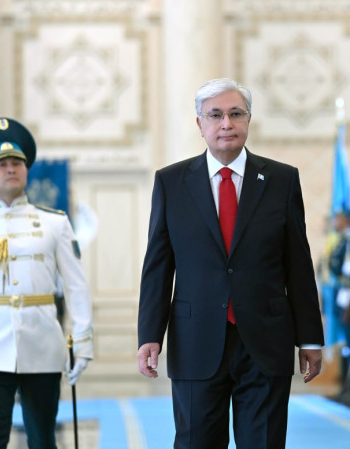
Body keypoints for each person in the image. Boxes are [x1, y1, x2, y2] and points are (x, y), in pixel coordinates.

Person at [136, 78, 325, 448]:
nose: (227, 124)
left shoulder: (281, 180)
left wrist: (309, 338)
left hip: (265, 341)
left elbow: (298, 265)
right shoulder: (171, 182)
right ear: (200, 123)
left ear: (249, 120)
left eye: (236, 114)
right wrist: (149, 335)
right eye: (216, 115)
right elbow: (158, 267)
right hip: (196, 340)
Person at [0, 117, 93, 448]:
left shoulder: (55, 224)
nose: (11, 168)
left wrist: (82, 341)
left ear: (26, 170)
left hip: (42, 345)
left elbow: (77, 286)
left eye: (17, 162)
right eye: (1, 164)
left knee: (42, 439)